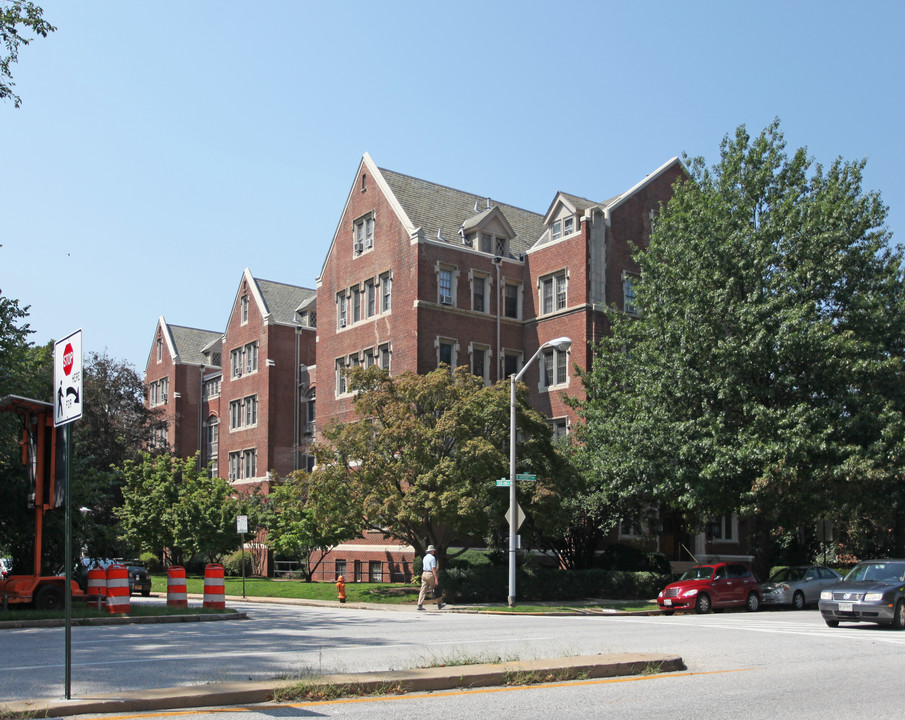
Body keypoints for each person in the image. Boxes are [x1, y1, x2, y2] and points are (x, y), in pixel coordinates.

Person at [417, 544, 445, 610]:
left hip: (424, 573)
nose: (434, 552)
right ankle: (440, 604)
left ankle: (419, 604)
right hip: (429, 574)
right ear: (431, 551)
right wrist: (436, 578)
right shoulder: (432, 558)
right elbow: (433, 569)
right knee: (436, 589)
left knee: (423, 590)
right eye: (433, 551)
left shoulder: (425, 557)